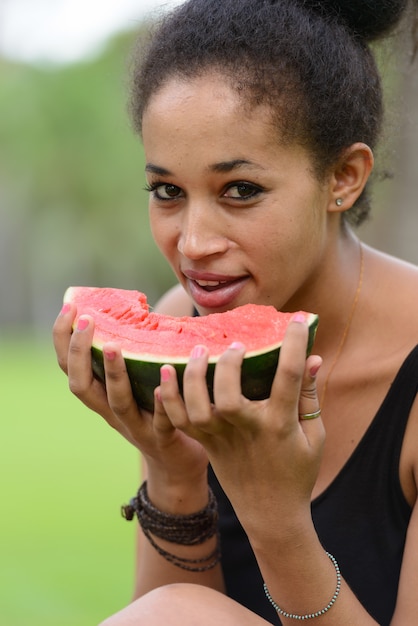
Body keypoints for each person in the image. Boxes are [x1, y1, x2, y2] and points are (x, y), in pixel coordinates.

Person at [53, 0, 418, 624]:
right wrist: (174, 474)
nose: (193, 243)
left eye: (240, 191)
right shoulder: (186, 322)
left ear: (343, 177)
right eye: (167, 191)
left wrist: (278, 522)